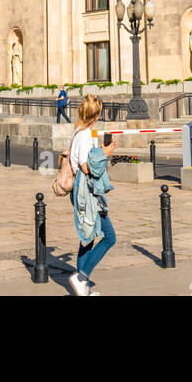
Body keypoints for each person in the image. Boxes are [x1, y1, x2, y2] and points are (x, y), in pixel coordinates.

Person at [67, 94, 116, 297]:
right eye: (100, 112)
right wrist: (105, 153)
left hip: (82, 192)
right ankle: (81, 277)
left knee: (86, 238)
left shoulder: (80, 132)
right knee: (109, 237)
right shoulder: (85, 136)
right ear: (95, 116)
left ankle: (83, 290)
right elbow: (87, 168)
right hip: (86, 193)